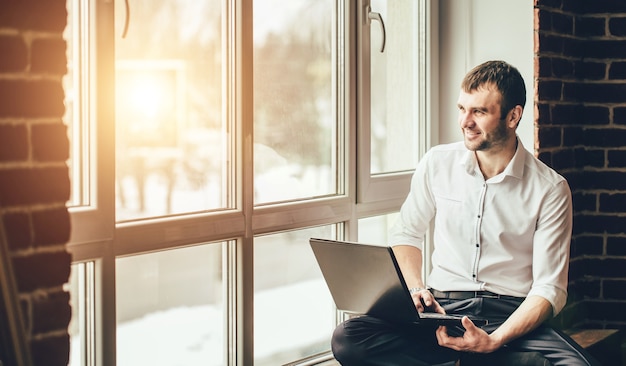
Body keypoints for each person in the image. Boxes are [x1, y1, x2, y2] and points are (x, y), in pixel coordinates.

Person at [331, 60, 600, 366]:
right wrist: (417, 287)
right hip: (443, 310)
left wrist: (495, 340)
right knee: (349, 337)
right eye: (462, 109)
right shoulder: (437, 163)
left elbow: (549, 289)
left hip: (510, 315)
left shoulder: (550, 189)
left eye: (479, 112)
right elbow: (407, 233)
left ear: (513, 116)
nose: (465, 122)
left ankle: (479, 357)